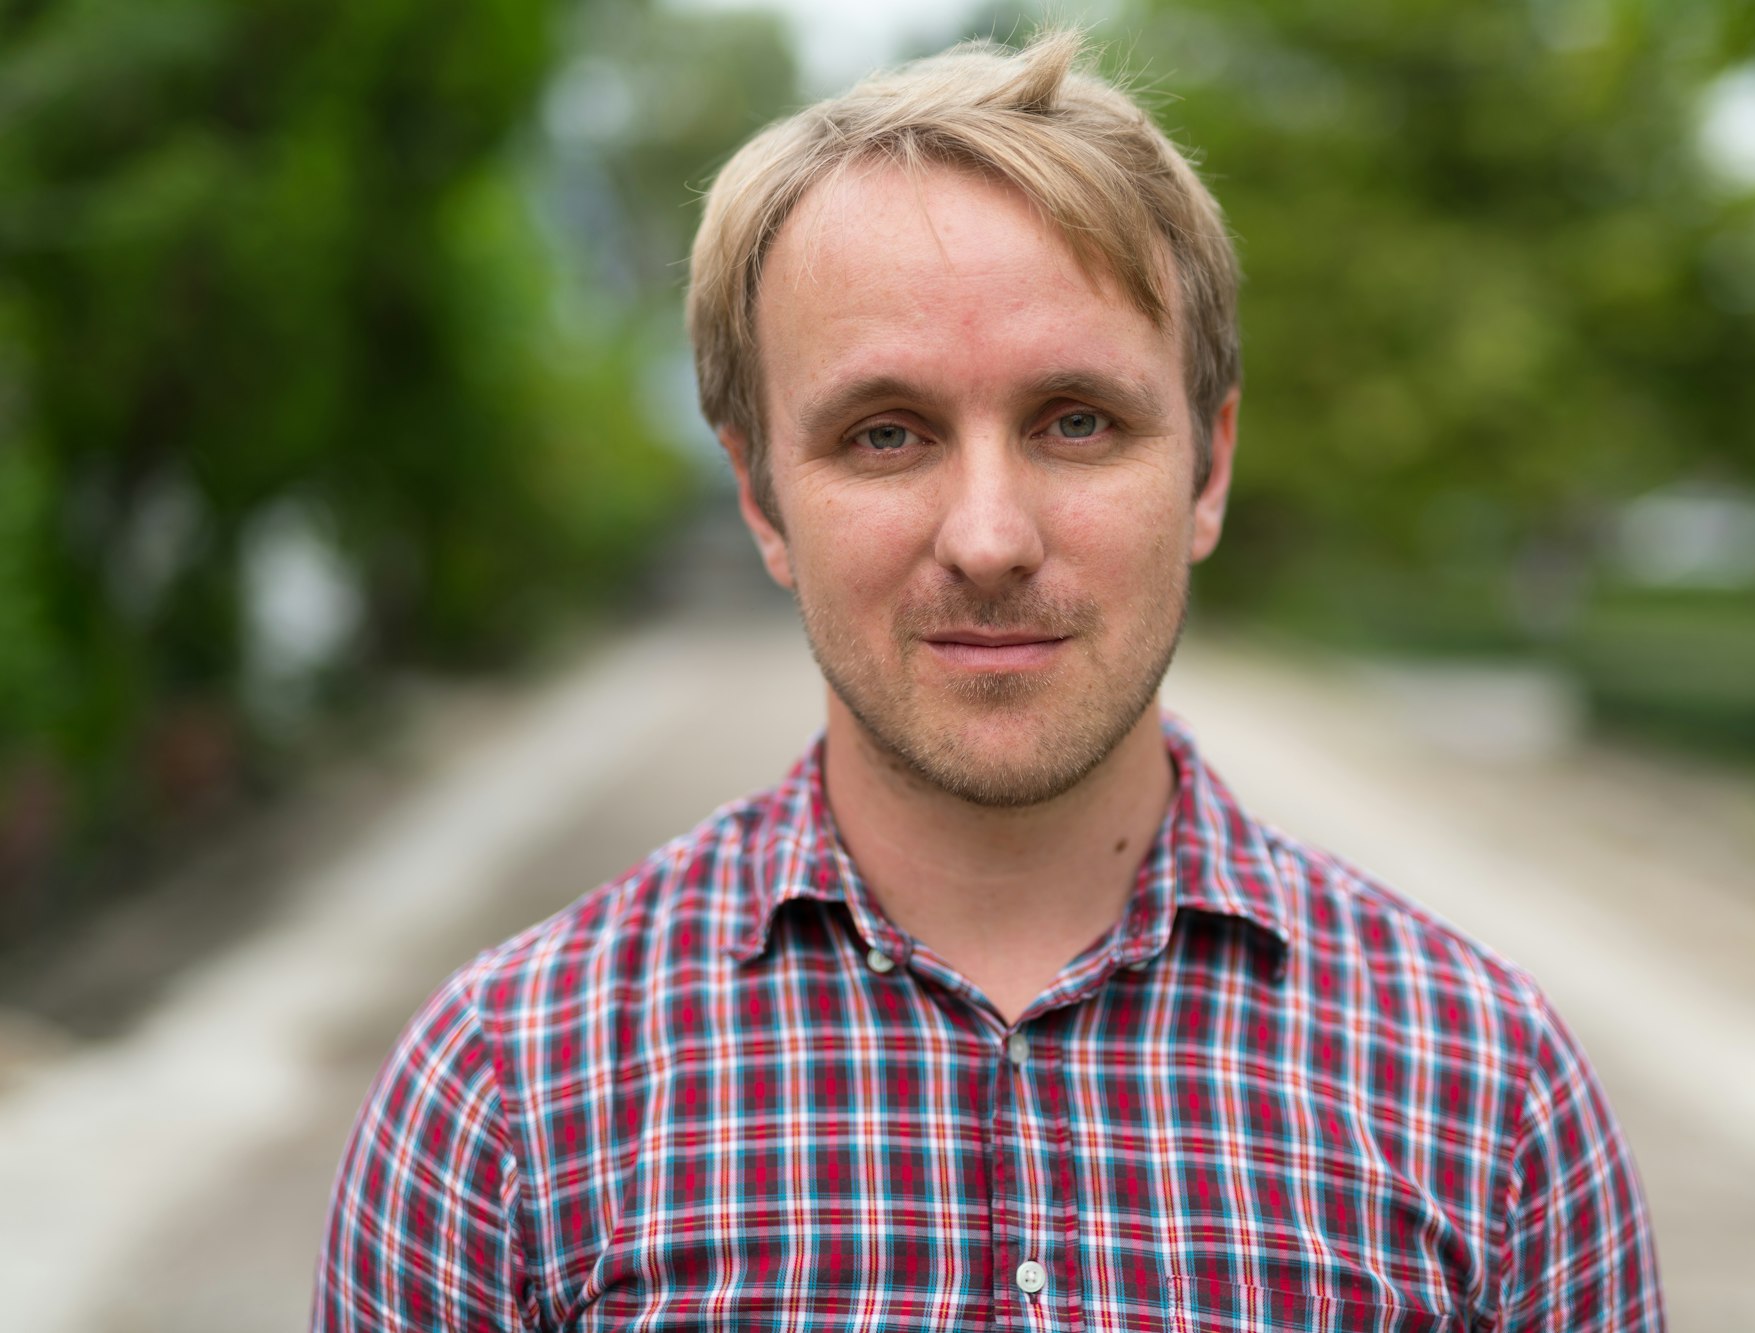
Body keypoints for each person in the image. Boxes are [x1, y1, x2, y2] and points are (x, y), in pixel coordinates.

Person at [315, 29, 1662, 1332]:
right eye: (884, 434)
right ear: (761, 497)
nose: (989, 539)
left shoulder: (1488, 1091)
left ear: (1209, 464)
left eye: (1077, 421)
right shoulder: (501, 1096)